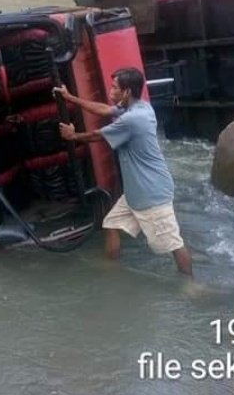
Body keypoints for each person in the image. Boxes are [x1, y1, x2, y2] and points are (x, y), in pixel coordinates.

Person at [54, 68, 194, 278]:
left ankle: (191, 284)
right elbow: (104, 110)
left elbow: (96, 135)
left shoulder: (133, 118)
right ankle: (112, 271)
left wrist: (73, 136)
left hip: (151, 193)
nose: (111, 91)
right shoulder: (137, 106)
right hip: (135, 192)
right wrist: (70, 97)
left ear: (127, 92)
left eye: (114, 88)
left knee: (173, 243)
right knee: (111, 224)